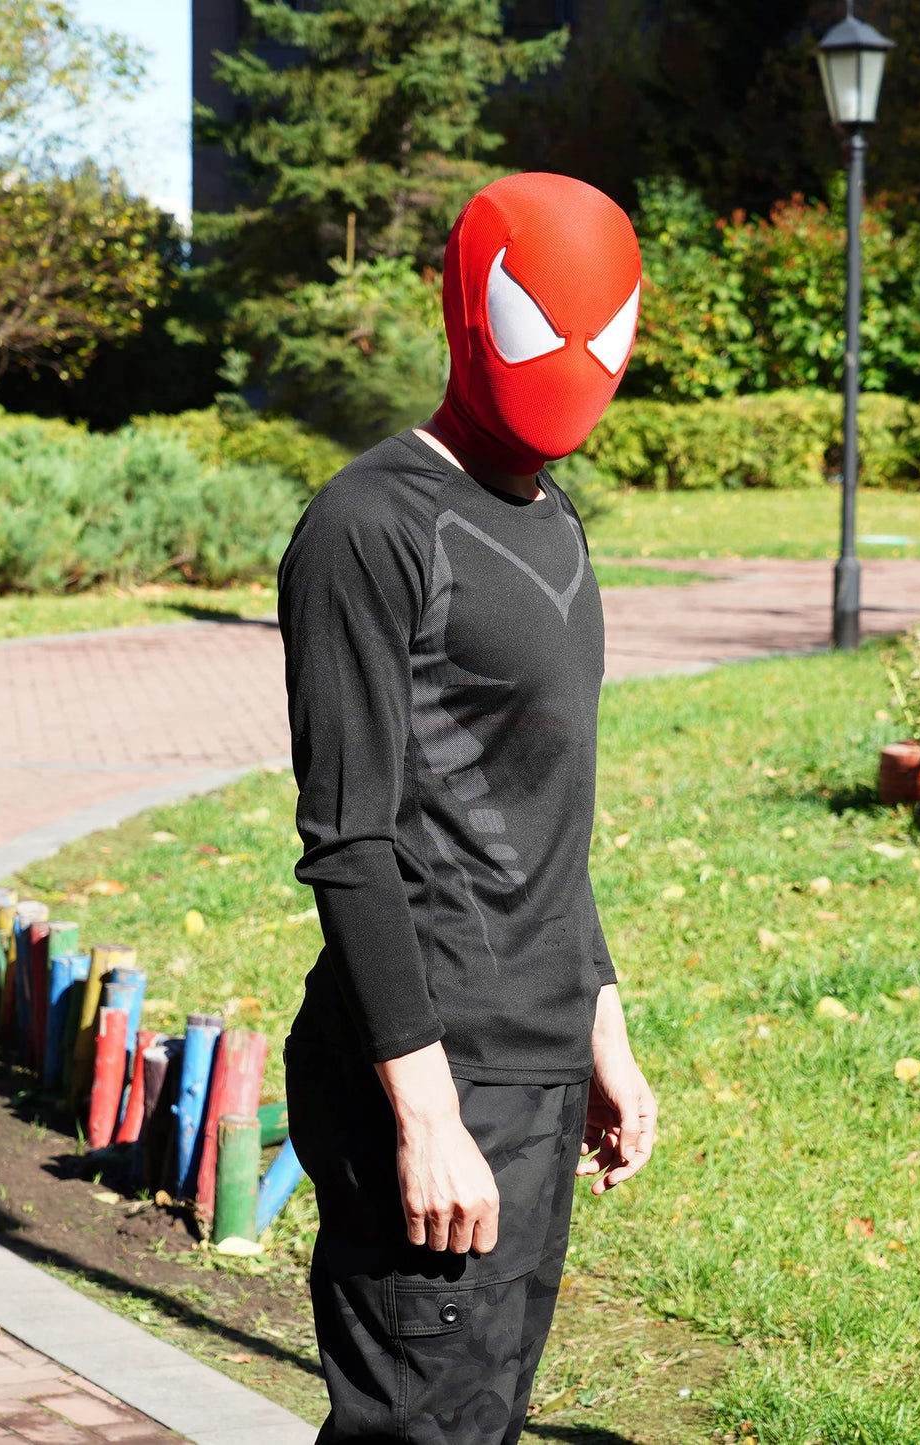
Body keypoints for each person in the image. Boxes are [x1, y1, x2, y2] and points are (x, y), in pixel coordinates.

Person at [278, 172, 658, 1444]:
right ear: (467, 305)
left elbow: (543, 806)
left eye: (599, 329)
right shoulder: (368, 524)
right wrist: (425, 1116)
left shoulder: (556, 521)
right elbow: (348, 841)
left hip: (537, 1061)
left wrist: (598, 1018)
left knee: (477, 1415)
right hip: (433, 1063)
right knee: (416, 1424)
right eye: (539, 316)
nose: (571, 357)